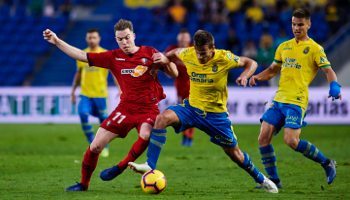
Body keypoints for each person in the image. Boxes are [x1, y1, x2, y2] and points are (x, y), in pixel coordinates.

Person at [129, 30, 279, 193]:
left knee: (235, 154)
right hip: (192, 109)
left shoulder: (224, 57)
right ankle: (150, 164)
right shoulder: (189, 53)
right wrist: (162, 62)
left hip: (216, 116)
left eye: (204, 54)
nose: (200, 57)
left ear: (212, 49)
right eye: (198, 53)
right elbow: (173, 54)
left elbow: (251, 62)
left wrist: (245, 75)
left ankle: (261, 179)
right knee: (161, 119)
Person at [43, 19, 178, 191]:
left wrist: (166, 60)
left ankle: (120, 167)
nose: (124, 42)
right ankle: (83, 184)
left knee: (146, 133)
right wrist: (57, 41)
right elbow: (81, 55)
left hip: (148, 109)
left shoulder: (150, 53)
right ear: (116, 39)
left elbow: (174, 73)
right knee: (96, 145)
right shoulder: (113, 57)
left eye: (127, 37)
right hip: (125, 108)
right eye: (120, 39)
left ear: (133, 36)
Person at [249, 8, 340, 189]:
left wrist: (334, 85)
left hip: (297, 101)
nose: (296, 28)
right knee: (263, 138)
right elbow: (273, 70)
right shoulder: (284, 46)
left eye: (300, 25)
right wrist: (258, 76)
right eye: (293, 24)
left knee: (291, 141)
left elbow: (328, 70)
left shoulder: (315, 48)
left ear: (308, 25)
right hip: (279, 99)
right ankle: (274, 181)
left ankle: (327, 163)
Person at [71, 28, 118, 157]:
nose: (92, 40)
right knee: (82, 114)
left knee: (104, 122)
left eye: (94, 37)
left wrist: (120, 89)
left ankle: (105, 147)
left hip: (100, 94)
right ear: (86, 39)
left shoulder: (105, 54)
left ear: (99, 39)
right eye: (89, 38)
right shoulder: (82, 54)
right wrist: (73, 91)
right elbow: (79, 74)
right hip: (85, 93)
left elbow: (115, 72)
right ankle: (93, 145)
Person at [164, 28, 195, 146]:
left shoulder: (194, 49)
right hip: (179, 85)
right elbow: (165, 61)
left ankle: (189, 137)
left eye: (185, 37)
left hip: (193, 84)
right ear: (178, 38)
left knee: (191, 110)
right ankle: (185, 136)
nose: (183, 40)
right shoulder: (172, 50)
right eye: (181, 37)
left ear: (189, 39)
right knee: (183, 111)